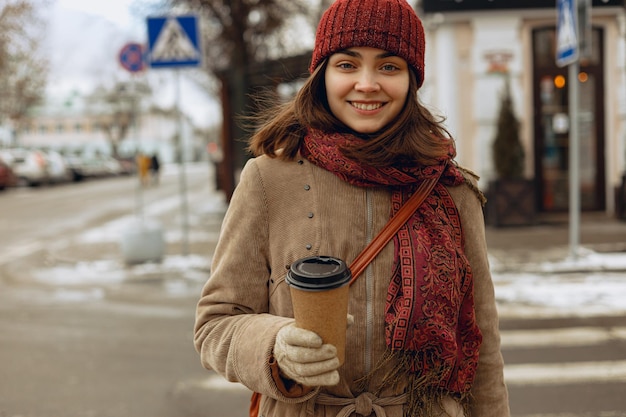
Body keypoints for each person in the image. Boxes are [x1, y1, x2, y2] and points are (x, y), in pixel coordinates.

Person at [194, 1, 510, 416]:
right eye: (347, 64)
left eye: (389, 66)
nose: (367, 84)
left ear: (412, 81)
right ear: (322, 74)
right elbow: (217, 323)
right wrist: (274, 346)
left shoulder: (451, 191)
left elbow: (482, 350)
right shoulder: (269, 179)